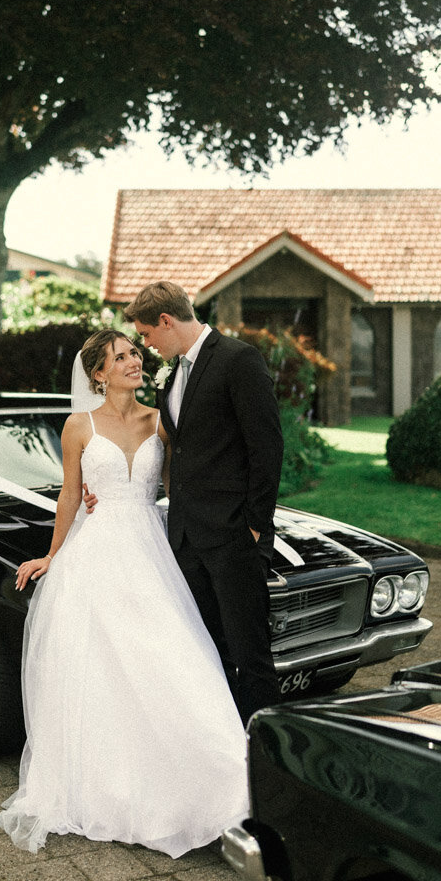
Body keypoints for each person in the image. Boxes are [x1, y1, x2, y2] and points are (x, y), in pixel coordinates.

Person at [0, 328, 248, 858]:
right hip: (97, 557)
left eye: (136, 352)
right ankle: (117, 785)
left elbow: (183, 487)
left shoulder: (162, 420)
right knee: (107, 671)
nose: (135, 360)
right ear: (98, 374)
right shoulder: (78, 426)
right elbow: (69, 494)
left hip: (152, 551)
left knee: (177, 660)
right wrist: (52, 553)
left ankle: (221, 781)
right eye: (121, 356)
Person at [124, 281, 284, 724]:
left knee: (250, 654)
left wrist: (254, 525)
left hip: (234, 536)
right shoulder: (173, 375)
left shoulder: (237, 360)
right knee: (206, 651)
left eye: (147, 335)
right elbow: (182, 449)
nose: (146, 345)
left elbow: (266, 447)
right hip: (187, 539)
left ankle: (268, 757)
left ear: (166, 321)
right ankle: (225, 742)